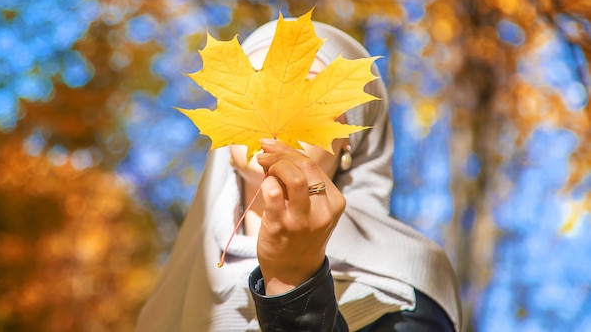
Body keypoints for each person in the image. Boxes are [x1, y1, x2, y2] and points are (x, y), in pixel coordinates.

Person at [135, 17, 462, 332]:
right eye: (253, 91)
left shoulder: (408, 283)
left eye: (309, 90)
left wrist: (295, 286)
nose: (280, 115)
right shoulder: (172, 302)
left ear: (349, 138)